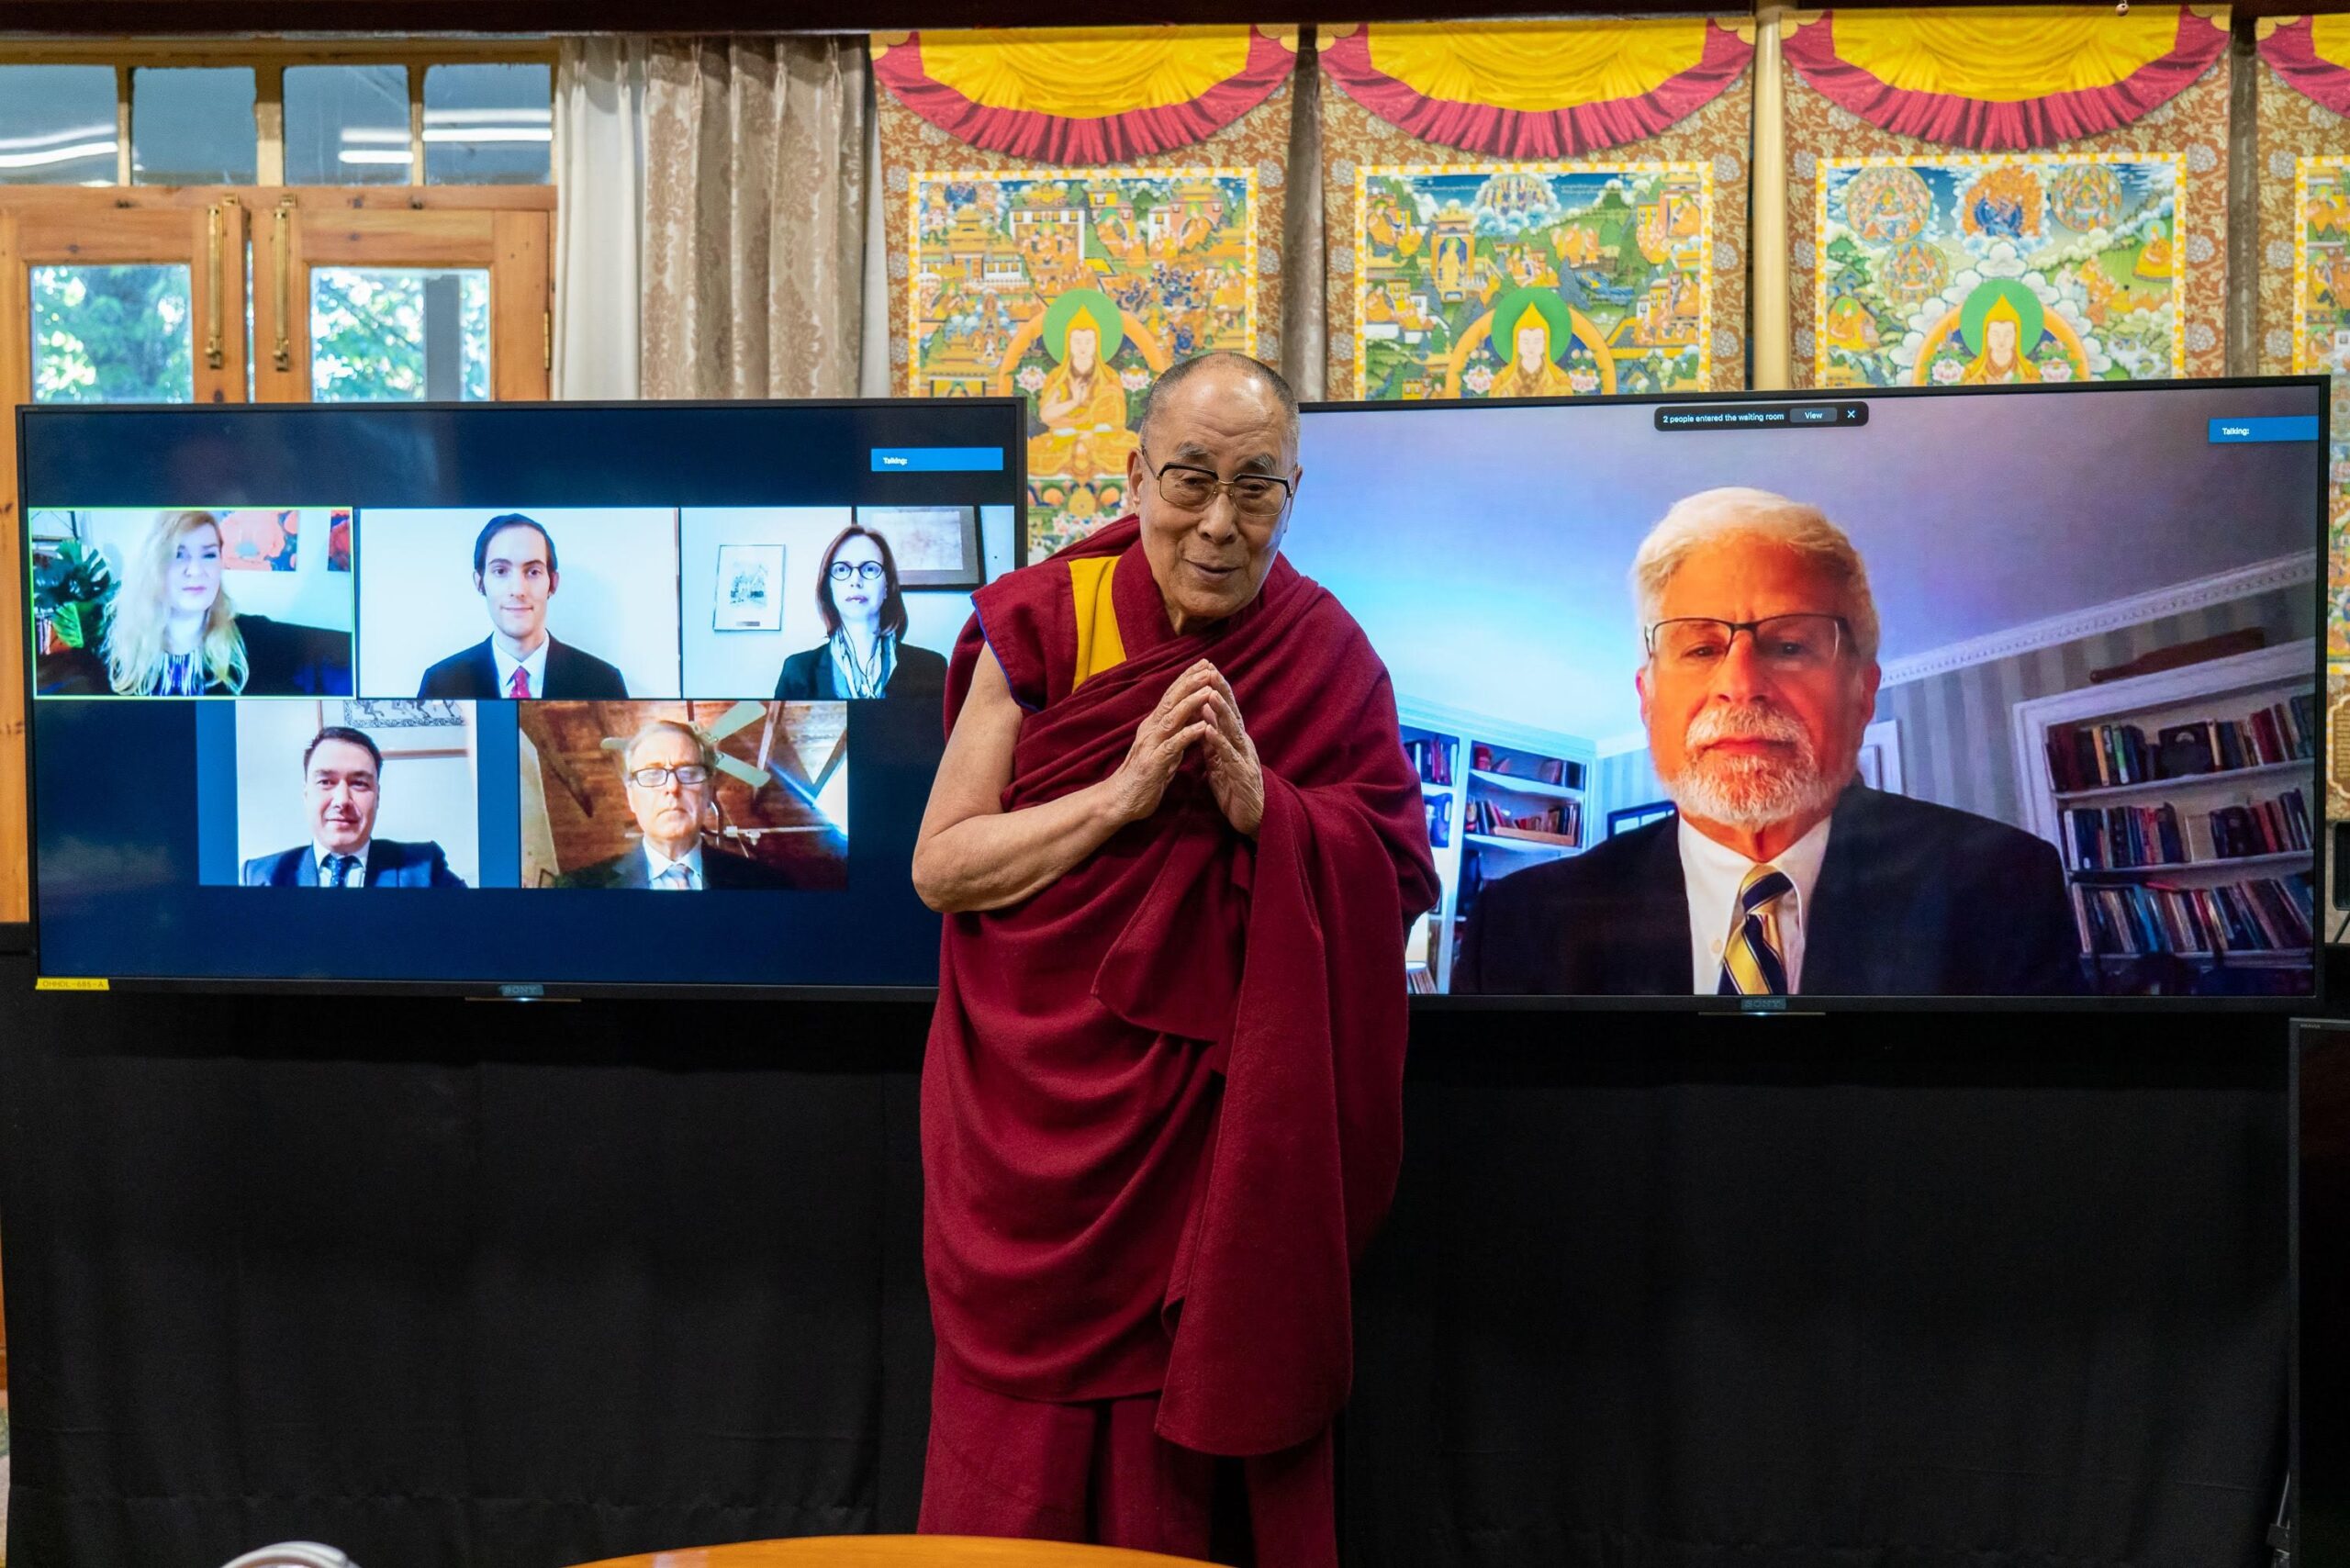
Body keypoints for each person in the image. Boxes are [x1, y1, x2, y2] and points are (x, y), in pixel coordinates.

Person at [912, 352, 1441, 1564]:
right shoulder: (1043, 620)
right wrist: (1125, 793)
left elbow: (1402, 871)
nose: (1219, 520)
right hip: (1037, 1147)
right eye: (1189, 479)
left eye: (1256, 488)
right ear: (1137, 472)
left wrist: (1272, 812)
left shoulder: (1327, 652)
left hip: (1214, 1161)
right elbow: (942, 867)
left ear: (1292, 495)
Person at [1454, 487, 2084, 998]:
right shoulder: (1520, 924)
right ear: (1648, 700)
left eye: (1788, 646)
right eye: (1700, 647)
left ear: (1862, 695)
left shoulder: (2000, 888)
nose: (1741, 685)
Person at [44, 510, 351, 696]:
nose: (197, 570)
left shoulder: (258, 639)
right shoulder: (116, 647)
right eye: (179, 555)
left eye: (208, 554)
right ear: (156, 565)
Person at [553, 719, 789, 890]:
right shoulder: (575, 889)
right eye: (652, 774)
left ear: (708, 792)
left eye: (687, 772)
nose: (672, 787)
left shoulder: (766, 885)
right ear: (631, 797)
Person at [417, 513, 629, 700]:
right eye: (500, 571)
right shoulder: (441, 683)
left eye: (533, 572)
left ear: (553, 583)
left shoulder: (603, 682)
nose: (518, 589)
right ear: (480, 583)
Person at [241, 725, 467, 888]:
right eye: (326, 782)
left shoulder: (424, 870)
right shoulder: (261, 876)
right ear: (306, 794)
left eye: (359, 784)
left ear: (377, 797)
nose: (342, 800)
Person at [773, 525, 949, 700]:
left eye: (870, 568)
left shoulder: (933, 667)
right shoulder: (798, 671)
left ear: (887, 586)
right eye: (842, 569)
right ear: (829, 587)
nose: (855, 580)